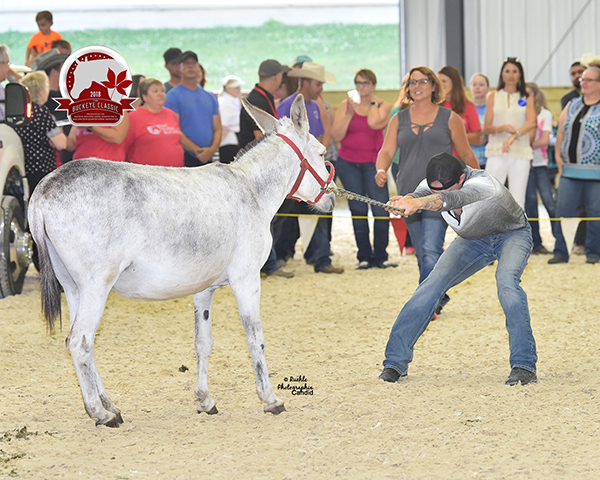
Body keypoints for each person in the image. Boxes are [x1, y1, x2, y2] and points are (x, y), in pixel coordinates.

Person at [379, 152, 537, 386]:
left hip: (512, 234)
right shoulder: (430, 187)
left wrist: (418, 202)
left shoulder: (484, 184)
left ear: (461, 179)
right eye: (434, 190)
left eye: (446, 189)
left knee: (507, 285)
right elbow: (420, 195)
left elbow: (449, 200)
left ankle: (524, 365)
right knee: (430, 286)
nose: (438, 194)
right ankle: (394, 362)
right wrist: (405, 201)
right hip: (473, 240)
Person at [375, 66, 479, 315]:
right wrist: (381, 169)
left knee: (432, 248)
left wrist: (478, 182)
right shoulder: (398, 118)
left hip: (438, 194)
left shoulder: (450, 118)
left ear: (434, 86)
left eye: (423, 81)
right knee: (423, 251)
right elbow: (387, 150)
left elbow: (465, 153)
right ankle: (438, 292)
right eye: (413, 82)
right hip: (408, 193)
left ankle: (426, 304)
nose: (417, 86)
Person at [278, 62, 344, 274]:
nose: (321, 89)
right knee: (285, 214)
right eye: (318, 84)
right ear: (305, 82)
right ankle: (280, 255)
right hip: (292, 171)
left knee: (319, 210)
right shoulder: (286, 105)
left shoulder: (314, 106)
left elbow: (321, 135)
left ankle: (320, 258)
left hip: (311, 171)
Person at [332, 68, 395, 269]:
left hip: (373, 164)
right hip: (348, 162)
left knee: (380, 208)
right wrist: (350, 113)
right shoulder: (346, 105)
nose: (361, 87)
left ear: (373, 85)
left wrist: (369, 104)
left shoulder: (383, 105)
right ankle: (364, 256)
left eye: (366, 83)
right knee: (358, 209)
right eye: (358, 83)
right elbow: (337, 135)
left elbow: (375, 123)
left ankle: (381, 255)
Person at [237, 58, 294, 278]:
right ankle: (267, 264)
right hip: (258, 169)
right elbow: (261, 138)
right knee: (265, 216)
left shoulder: (262, 97)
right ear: (277, 77)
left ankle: (268, 262)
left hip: (257, 167)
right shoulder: (257, 99)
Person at [554, 65, 600, 265]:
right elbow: (561, 132)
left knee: (595, 214)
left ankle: (593, 253)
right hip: (569, 171)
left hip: (596, 173)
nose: (584, 82)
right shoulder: (572, 104)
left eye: (589, 79)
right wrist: (557, 155)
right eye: (582, 79)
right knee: (562, 211)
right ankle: (560, 252)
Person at [482, 57, 536, 209]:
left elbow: (531, 122)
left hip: (520, 152)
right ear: (501, 74)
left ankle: (518, 233)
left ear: (520, 74)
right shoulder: (493, 96)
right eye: (507, 71)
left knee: (518, 199)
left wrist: (513, 137)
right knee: (491, 195)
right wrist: (503, 128)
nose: (511, 75)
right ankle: (490, 232)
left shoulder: (527, 97)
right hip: (496, 150)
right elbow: (486, 127)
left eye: (515, 71)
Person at [523, 82, 568, 262]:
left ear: (536, 95)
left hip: (540, 164)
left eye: (528, 94)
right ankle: (536, 244)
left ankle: (560, 242)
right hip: (525, 164)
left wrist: (522, 144)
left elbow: (544, 139)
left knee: (549, 202)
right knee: (530, 204)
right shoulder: (520, 114)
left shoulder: (545, 114)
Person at [12, 71, 67, 192]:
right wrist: (60, 133)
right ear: (41, 90)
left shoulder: (18, 113)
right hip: (42, 170)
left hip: (23, 168)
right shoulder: (41, 112)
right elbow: (61, 143)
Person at [164, 51, 221, 167]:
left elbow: (218, 128)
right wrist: (196, 150)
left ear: (198, 67)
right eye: (186, 63)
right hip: (184, 156)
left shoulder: (210, 97)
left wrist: (212, 150)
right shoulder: (172, 96)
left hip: (208, 156)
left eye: (193, 63)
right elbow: (173, 129)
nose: (190, 66)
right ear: (180, 68)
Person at [123, 78, 184, 167]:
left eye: (162, 91)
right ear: (144, 96)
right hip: (147, 174)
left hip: (176, 172)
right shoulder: (133, 117)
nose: (160, 94)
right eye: (155, 91)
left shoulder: (172, 114)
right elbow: (124, 149)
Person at [560, 60, 588, 255]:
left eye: (581, 72)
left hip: (593, 163)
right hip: (572, 164)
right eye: (573, 73)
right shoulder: (568, 100)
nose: (577, 76)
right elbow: (563, 130)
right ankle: (577, 242)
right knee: (575, 206)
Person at [438, 66, 482, 157]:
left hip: (460, 160)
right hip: (437, 158)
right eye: (439, 81)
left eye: (444, 81)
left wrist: (454, 136)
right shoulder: (433, 105)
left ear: (454, 83)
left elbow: (477, 136)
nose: (441, 85)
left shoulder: (468, 106)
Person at [217, 75, 244, 164]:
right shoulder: (225, 103)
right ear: (229, 89)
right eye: (236, 88)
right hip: (228, 143)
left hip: (234, 141)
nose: (239, 90)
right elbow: (222, 125)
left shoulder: (233, 101)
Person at [469, 73, 490, 168]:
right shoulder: (465, 109)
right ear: (470, 88)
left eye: (481, 85)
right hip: (469, 159)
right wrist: (472, 139)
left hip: (489, 158)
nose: (477, 87)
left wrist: (482, 129)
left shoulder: (492, 109)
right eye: (474, 84)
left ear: (488, 88)